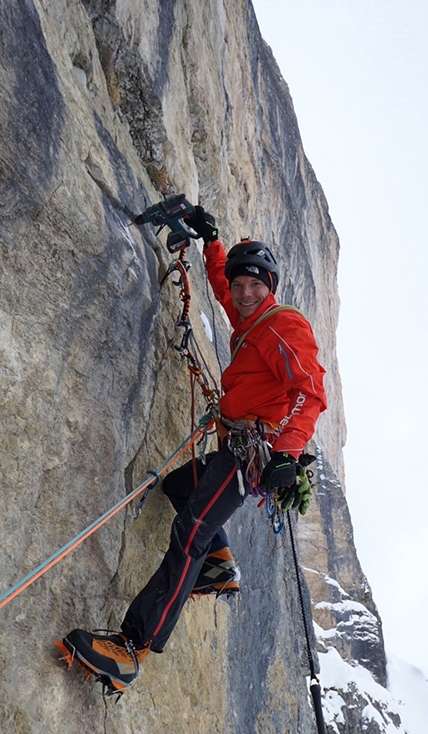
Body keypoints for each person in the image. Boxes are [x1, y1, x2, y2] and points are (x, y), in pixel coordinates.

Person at [58, 207, 328, 697]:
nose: (244, 294)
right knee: (181, 487)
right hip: (237, 444)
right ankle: (218, 566)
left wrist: (287, 453)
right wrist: (212, 243)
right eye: (241, 284)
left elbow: (310, 392)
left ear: (271, 286)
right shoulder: (252, 318)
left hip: (254, 449)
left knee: (191, 530)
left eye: (255, 285)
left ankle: (133, 646)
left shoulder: (284, 325)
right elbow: (225, 292)